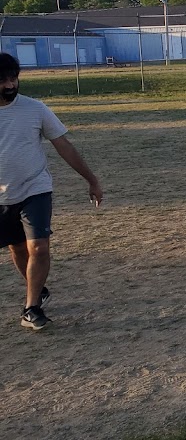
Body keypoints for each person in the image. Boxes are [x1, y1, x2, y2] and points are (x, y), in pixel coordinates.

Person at [0, 52, 102, 330]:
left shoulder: (35, 109)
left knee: (39, 247)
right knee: (18, 247)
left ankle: (30, 308)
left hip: (35, 189)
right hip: (2, 197)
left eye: (13, 78)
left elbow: (64, 146)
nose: (10, 85)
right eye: (3, 80)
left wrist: (91, 179)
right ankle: (37, 288)